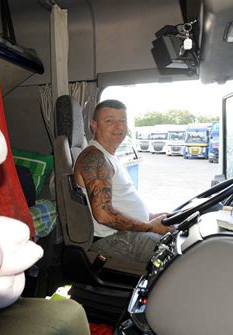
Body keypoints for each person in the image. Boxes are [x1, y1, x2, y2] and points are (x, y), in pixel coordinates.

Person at [74, 99, 173, 265]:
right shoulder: (94, 157)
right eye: (110, 121)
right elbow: (103, 215)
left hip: (128, 233)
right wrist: (150, 226)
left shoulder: (109, 156)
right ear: (94, 126)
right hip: (113, 240)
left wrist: (151, 217)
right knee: (180, 258)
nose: (118, 126)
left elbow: (122, 200)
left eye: (122, 121)